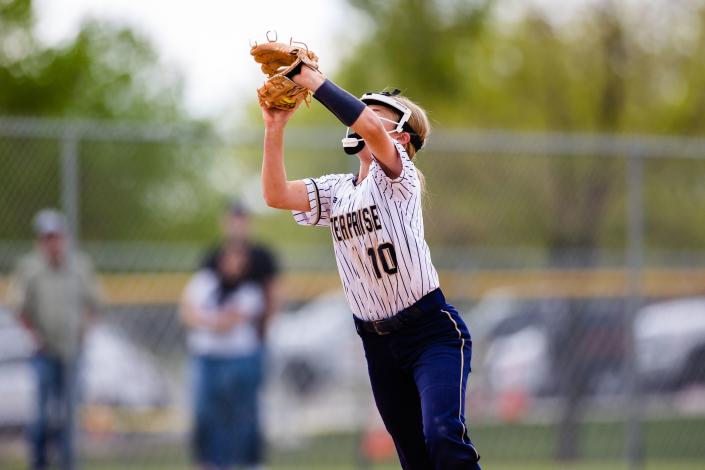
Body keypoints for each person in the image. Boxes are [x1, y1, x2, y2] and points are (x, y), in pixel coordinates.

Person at [258, 64, 482, 470]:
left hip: (430, 332)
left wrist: (309, 79)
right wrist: (274, 128)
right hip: (378, 344)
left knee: (442, 435)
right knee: (415, 458)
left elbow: (373, 133)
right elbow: (275, 195)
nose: (363, 119)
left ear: (402, 137)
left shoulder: (400, 178)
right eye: (362, 112)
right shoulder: (337, 190)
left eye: (377, 115)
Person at [8, 209, 101, 470]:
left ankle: (68, 465)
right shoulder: (30, 268)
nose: (53, 242)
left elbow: (94, 304)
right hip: (44, 352)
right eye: (47, 237)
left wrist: (83, 333)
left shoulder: (80, 266)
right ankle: (39, 464)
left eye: (57, 236)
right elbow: (19, 308)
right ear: (40, 241)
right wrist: (34, 337)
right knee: (41, 416)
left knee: (70, 417)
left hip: (73, 351)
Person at [180, 239, 268, 470]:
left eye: (241, 260)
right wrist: (214, 320)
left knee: (241, 414)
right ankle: (210, 462)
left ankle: (246, 462)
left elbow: (231, 321)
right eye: (231, 258)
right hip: (207, 357)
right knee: (206, 414)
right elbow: (188, 312)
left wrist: (207, 319)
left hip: (239, 357)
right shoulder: (204, 282)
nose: (235, 264)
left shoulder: (250, 289)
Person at [201, 198, 279, 343]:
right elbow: (199, 294)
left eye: (241, 219)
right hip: (215, 335)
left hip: (250, 336)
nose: (237, 225)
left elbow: (272, 293)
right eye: (233, 220)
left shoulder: (261, 255)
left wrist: (265, 326)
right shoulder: (213, 254)